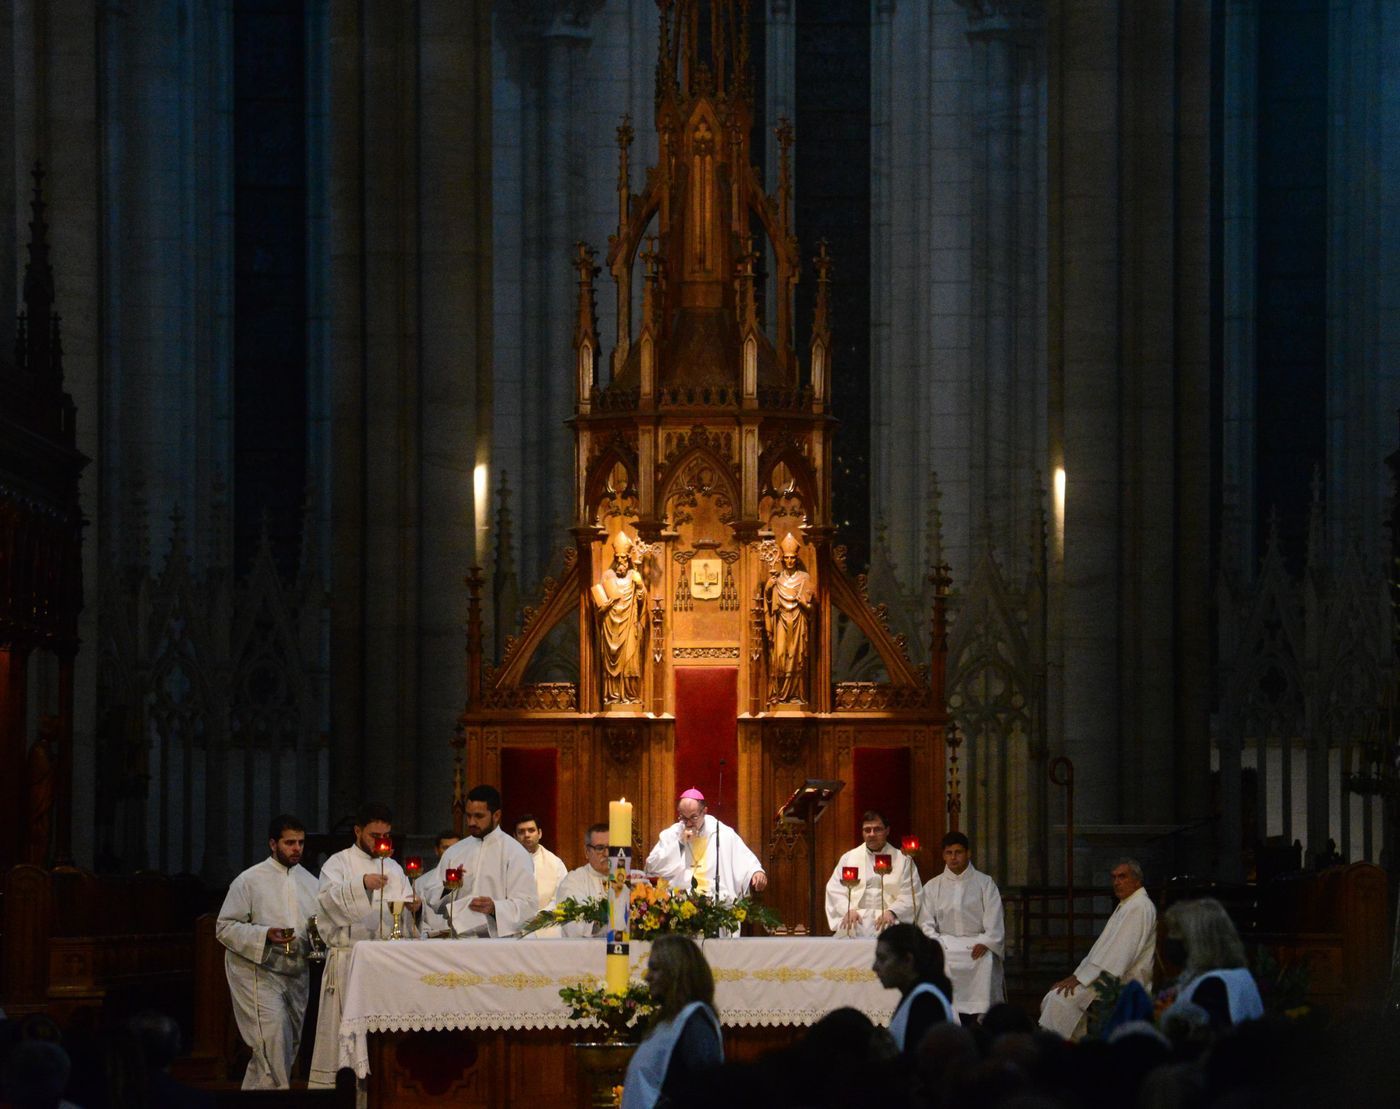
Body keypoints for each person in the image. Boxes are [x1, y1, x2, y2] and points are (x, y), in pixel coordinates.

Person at [308, 802, 418, 1088]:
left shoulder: (393, 867)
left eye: (386, 836)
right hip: (350, 960)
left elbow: (405, 913)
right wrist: (361, 885)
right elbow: (326, 904)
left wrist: (413, 907)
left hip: (386, 966)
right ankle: (341, 1093)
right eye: (374, 835)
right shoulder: (338, 863)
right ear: (358, 831)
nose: (381, 843)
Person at [215, 813, 320, 1089]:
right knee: (271, 1039)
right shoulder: (249, 880)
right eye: (289, 843)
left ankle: (256, 1099)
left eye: (300, 842)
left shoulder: (312, 883)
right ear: (273, 844)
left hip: (296, 972)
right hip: (258, 971)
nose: (296, 848)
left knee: (284, 1047)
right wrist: (265, 935)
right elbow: (224, 927)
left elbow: (318, 926)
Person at [1038, 858, 1157, 1041]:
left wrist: (1082, 978)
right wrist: (1077, 975)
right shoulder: (1128, 904)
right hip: (1105, 973)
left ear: (1137, 880)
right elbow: (1099, 951)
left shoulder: (1139, 907)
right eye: (1114, 877)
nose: (1117, 882)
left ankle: (1062, 1050)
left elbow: (1120, 954)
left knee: (1059, 1000)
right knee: (1056, 996)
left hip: (1122, 979)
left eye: (1122, 877)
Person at [622, 934, 724, 1109]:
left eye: (655, 969)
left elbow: (706, 1093)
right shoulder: (668, 1021)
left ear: (676, 972)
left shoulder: (695, 1026)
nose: (647, 977)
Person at [916, 831, 1006, 1022]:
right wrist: (936, 943)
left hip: (977, 944)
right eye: (949, 853)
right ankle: (946, 1013)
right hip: (946, 944)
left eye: (958, 852)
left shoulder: (985, 883)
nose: (954, 857)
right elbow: (925, 922)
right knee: (936, 962)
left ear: (968, 853)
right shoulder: (933, 886)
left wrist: (987, 942)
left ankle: (980, 1018)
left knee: (986, 960)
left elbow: (994, 919)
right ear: (943, 855)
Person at [436, 784, 539, 936]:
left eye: (478, 816)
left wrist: (494, 908)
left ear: (496, 815)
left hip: (499, 943)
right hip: (460, 942)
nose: (471, 822)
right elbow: (434, 901)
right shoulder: (455, 852)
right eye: (468, 815)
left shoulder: (515, 853)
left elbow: (528, 906)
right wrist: (450, 887)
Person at [1158, 898, 1263, 1032]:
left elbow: (1202, 1042)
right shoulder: (1238, 975)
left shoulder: (1212, 986)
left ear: (1196, 940)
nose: (1169, 939)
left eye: (1174, 933)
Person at [645, 788, 767, 901]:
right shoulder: (672, 834)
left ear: (704, 811)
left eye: (693, 817)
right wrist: (680, 844)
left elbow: (742, 857)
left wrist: (756, 871)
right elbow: (652, 866)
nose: (688, 823)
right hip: (681, 900)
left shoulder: (721, 832)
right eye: (683, 817)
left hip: (714, 900)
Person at [824, 810, 923, 935]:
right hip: (856, 917)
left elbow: (911, 894)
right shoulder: (848, 858)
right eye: (867, 830)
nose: (871, 834)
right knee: (847, 932)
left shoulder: (903, 860)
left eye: (877, 829)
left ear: (887, 831)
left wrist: (893, 912)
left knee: (893, 935)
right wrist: (847, 910)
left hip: (889, 918)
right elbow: (835, 890)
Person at [873, 923, 956, 1055]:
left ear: (907, 960)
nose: (875, 967)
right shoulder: (917, 995)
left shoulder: (926, 1002)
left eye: (882, 959)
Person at [594, 531, 647, 704]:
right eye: (618, 559)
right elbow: (599, 605)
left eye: (624, 559)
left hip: (629, 625)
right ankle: (612, 696)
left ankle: (630, 696)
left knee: (630, 662)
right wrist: (604, 607)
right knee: (611, 662)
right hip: (611, 627)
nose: (621, 563)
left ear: (628, 559)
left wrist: (639, 586)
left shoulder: (634, 576)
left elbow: (641, 602)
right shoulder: (607, 576)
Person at [763, 532, 814, 704]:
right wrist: (768, 590)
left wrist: (803, 603)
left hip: (798, 620)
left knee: (796, 656)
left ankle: (797, 695)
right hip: (781, 621)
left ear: (796, 558)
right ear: (783, 559)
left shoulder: (804, 578)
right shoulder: (776, 580)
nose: (790, 560)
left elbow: (811, 609)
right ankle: (779, 695)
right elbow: (769, 607)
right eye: (786, 558)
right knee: (779, 656)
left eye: (793, 557)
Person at [549, 823, 612, 936]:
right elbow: (575, 926)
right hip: (586, 951)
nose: (607, 854)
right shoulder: (573, 881)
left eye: (611, 848)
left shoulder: (629, 880)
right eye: (600, 848)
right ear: (587, 852)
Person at [515, 812, 568, 909]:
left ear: (540, 833)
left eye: (531, 830)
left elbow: (561, 897)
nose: (526, 835)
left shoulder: (556, 864)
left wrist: (540, 918)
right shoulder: (506, 863)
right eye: (521, 832)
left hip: (547, 921)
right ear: (515, 836)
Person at [416, 828, 462, 935]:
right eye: (446, 848)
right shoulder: (420, 883)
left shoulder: (472, 877)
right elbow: (419, 916)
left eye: (456, 848)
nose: (451, 853)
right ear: (437, 850)